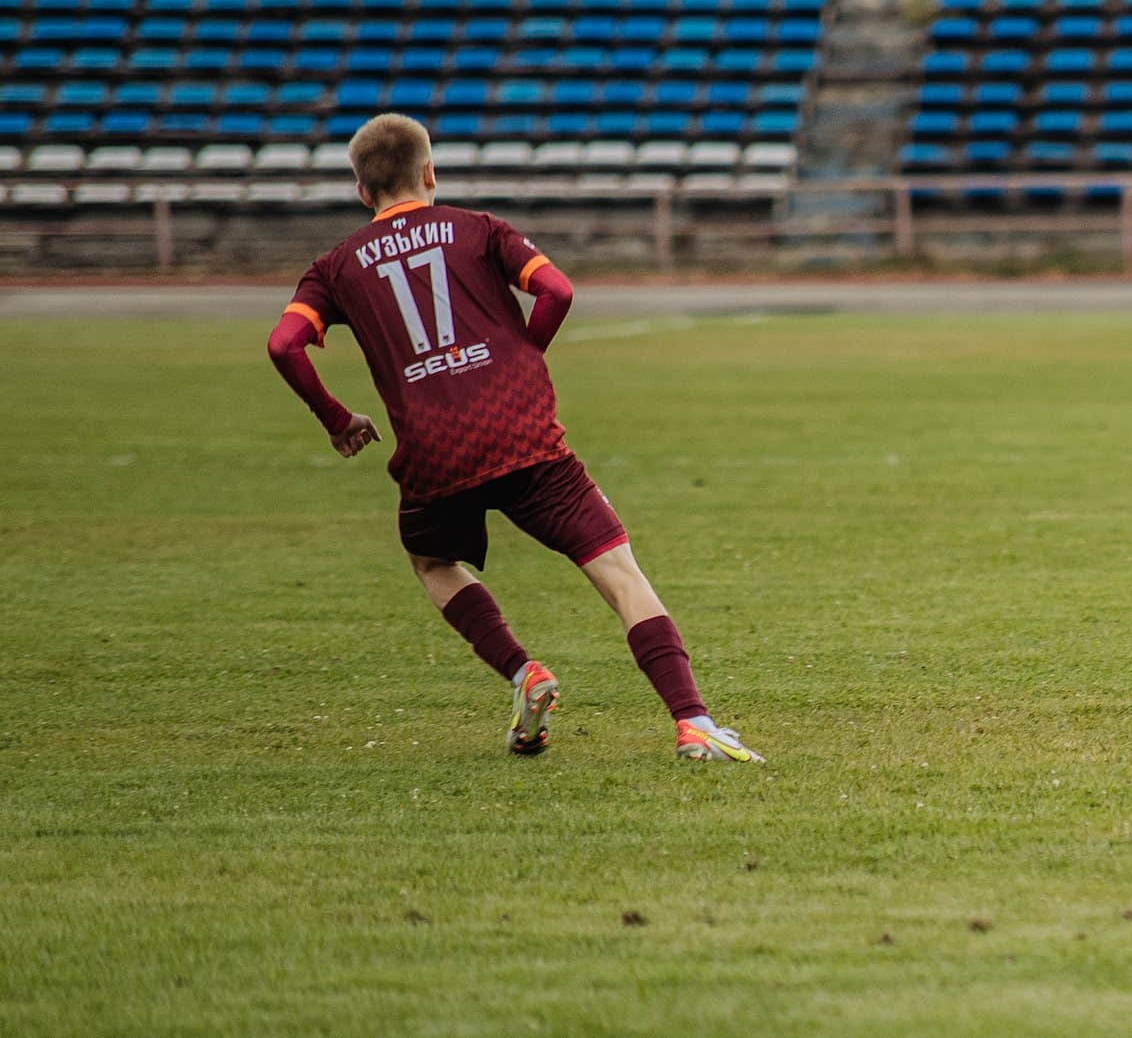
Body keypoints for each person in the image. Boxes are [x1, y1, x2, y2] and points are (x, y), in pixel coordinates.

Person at [267, 112, 762, 761]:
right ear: (430, 173)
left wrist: (338, 420)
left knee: (433, 562)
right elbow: (556, 290)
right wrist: (525, 356)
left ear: (362, 192)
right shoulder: (478, 229)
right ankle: (692, 721)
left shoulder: (334, 268)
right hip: (521, 436)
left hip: (434, 453)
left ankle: (523, 671)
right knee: (618, 571)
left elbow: (283, 344)